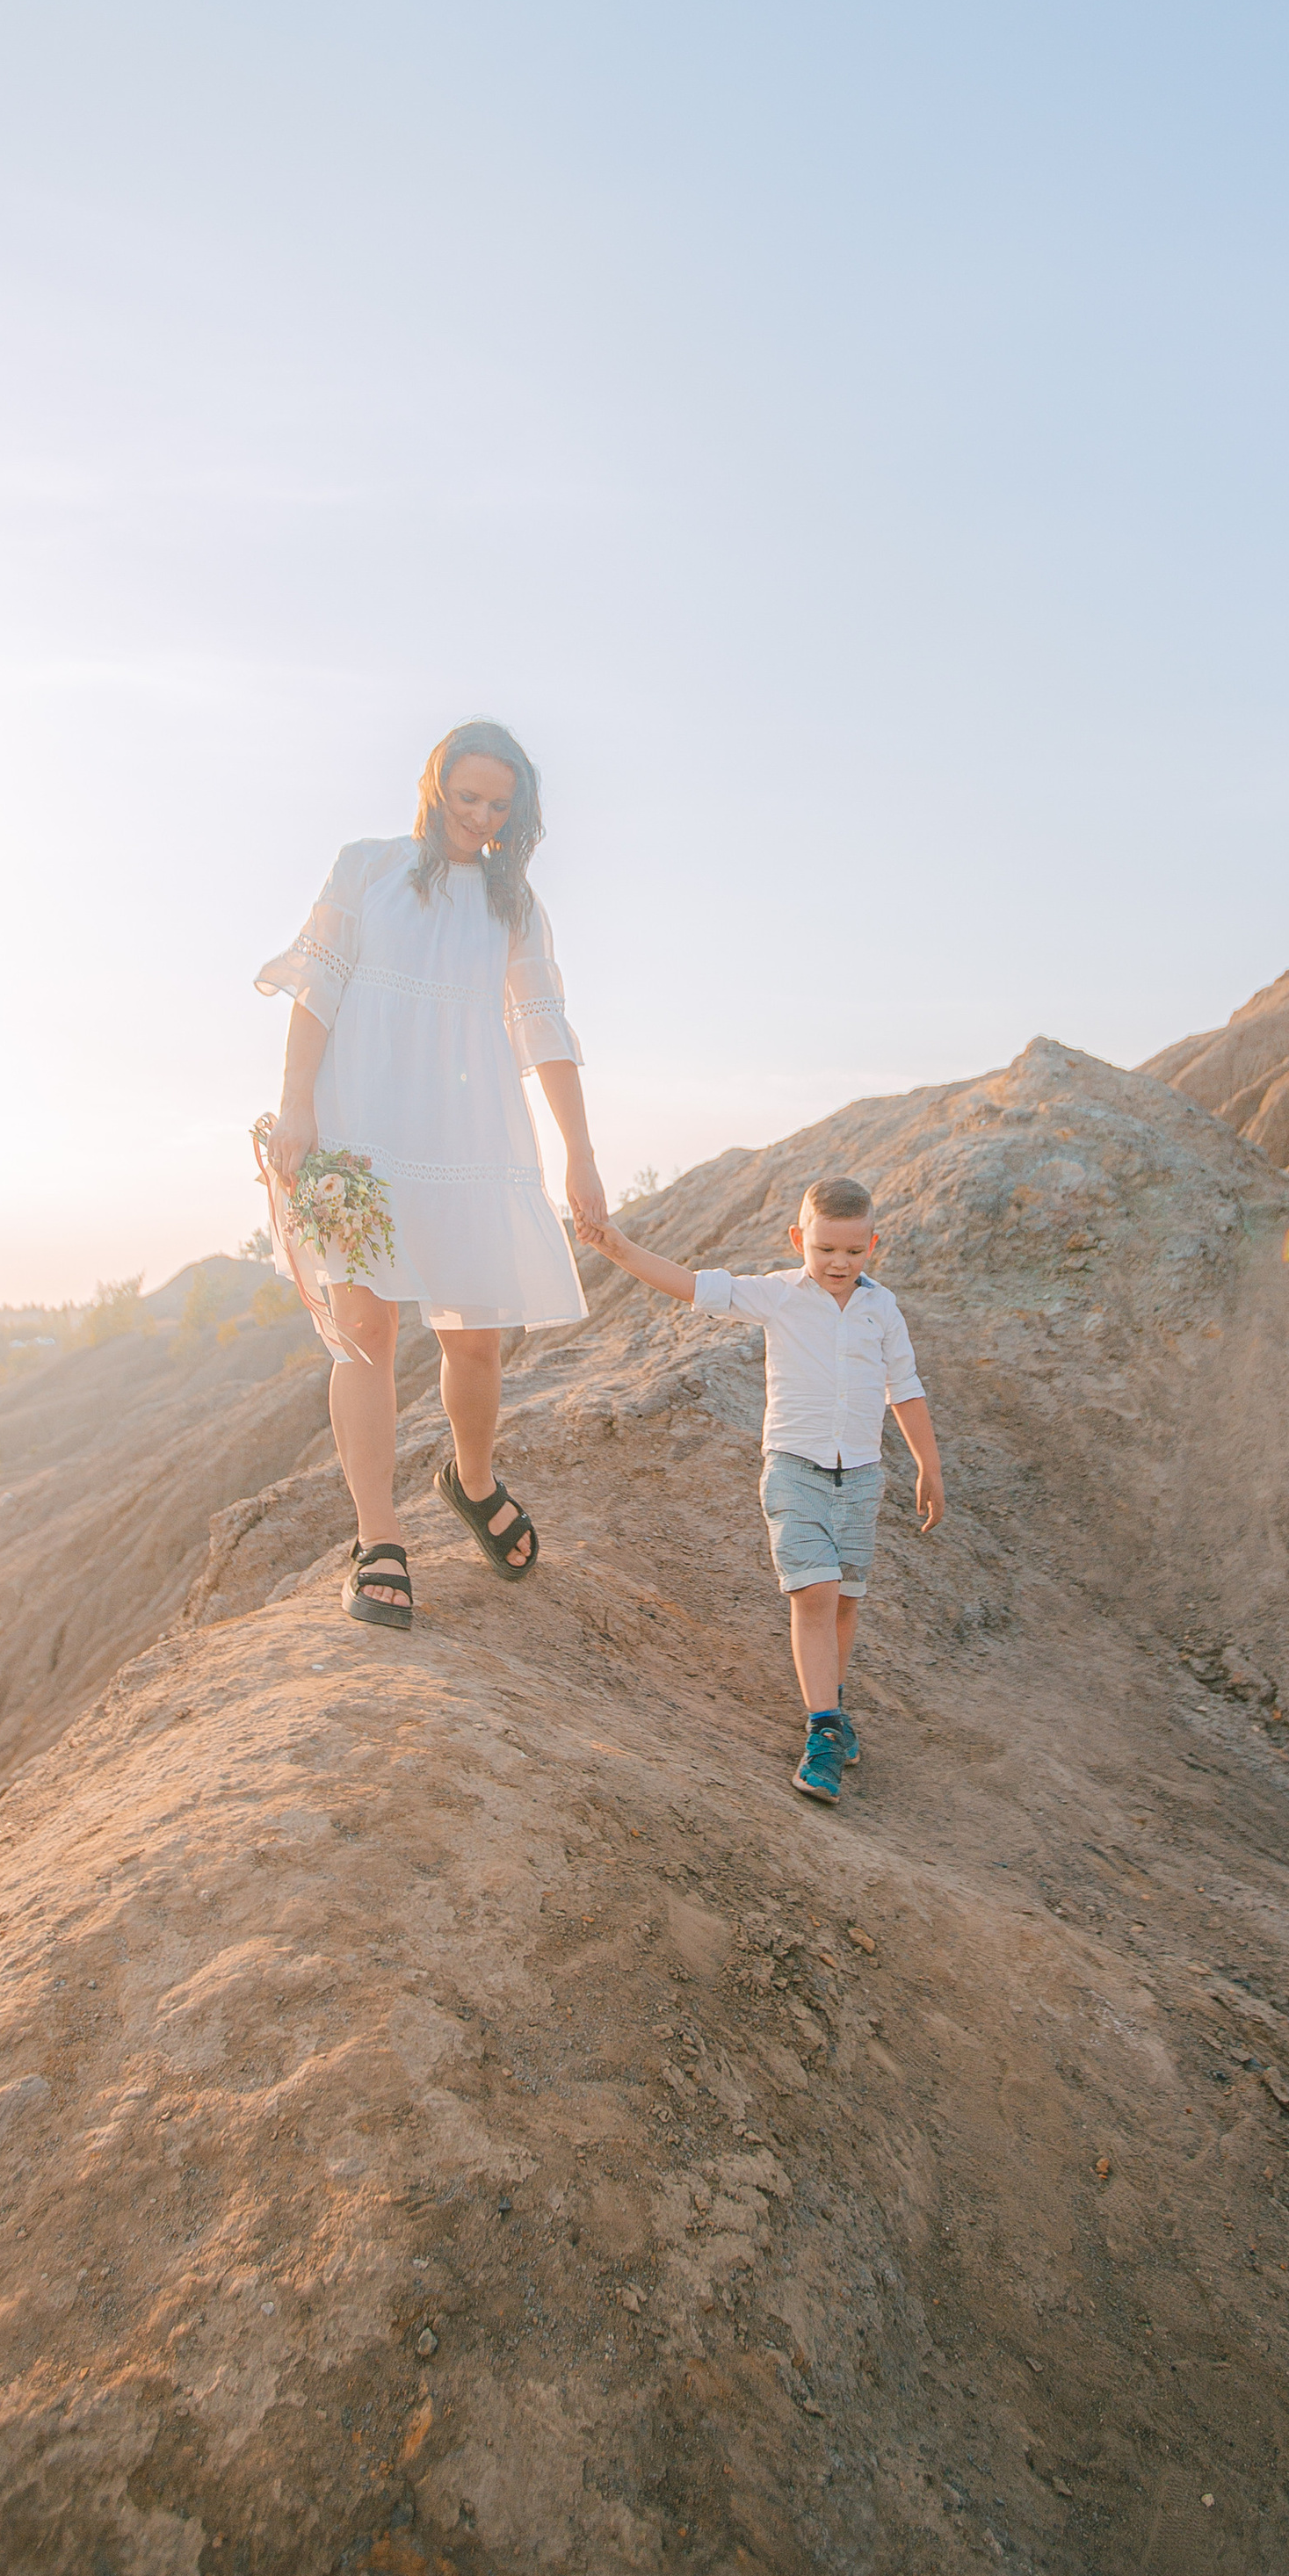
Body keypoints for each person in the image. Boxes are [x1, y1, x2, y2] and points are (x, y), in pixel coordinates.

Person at [257, 721, 606, 1631]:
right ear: (434, 787)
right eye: (467, 797)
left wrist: (580, 1153)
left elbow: (543, 1028)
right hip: (359, 1129)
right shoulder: (364, 869)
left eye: (499, 805)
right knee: (364, 1330)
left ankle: (472, 1477)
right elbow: (318, 988)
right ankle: (378, 1536)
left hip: (470, 1134)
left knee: (478, 1341)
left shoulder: (515, 906)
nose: (480, 818)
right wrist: (296, 1104)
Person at [583, 1175, 945, 1803]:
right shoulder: (778, 1296)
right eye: (825, 1249)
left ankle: (830, 1703)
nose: (838, 1263)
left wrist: (928, 1467)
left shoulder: (881, 1308)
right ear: (798, 1239)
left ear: (872, 1245)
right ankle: (824, 1731)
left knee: (844, 1602)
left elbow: (904, 1388)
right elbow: (695, 1286)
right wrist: (618, 1248)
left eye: (853, 1252)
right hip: (793, 1468)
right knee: (815, 1592)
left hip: (861, 1477)